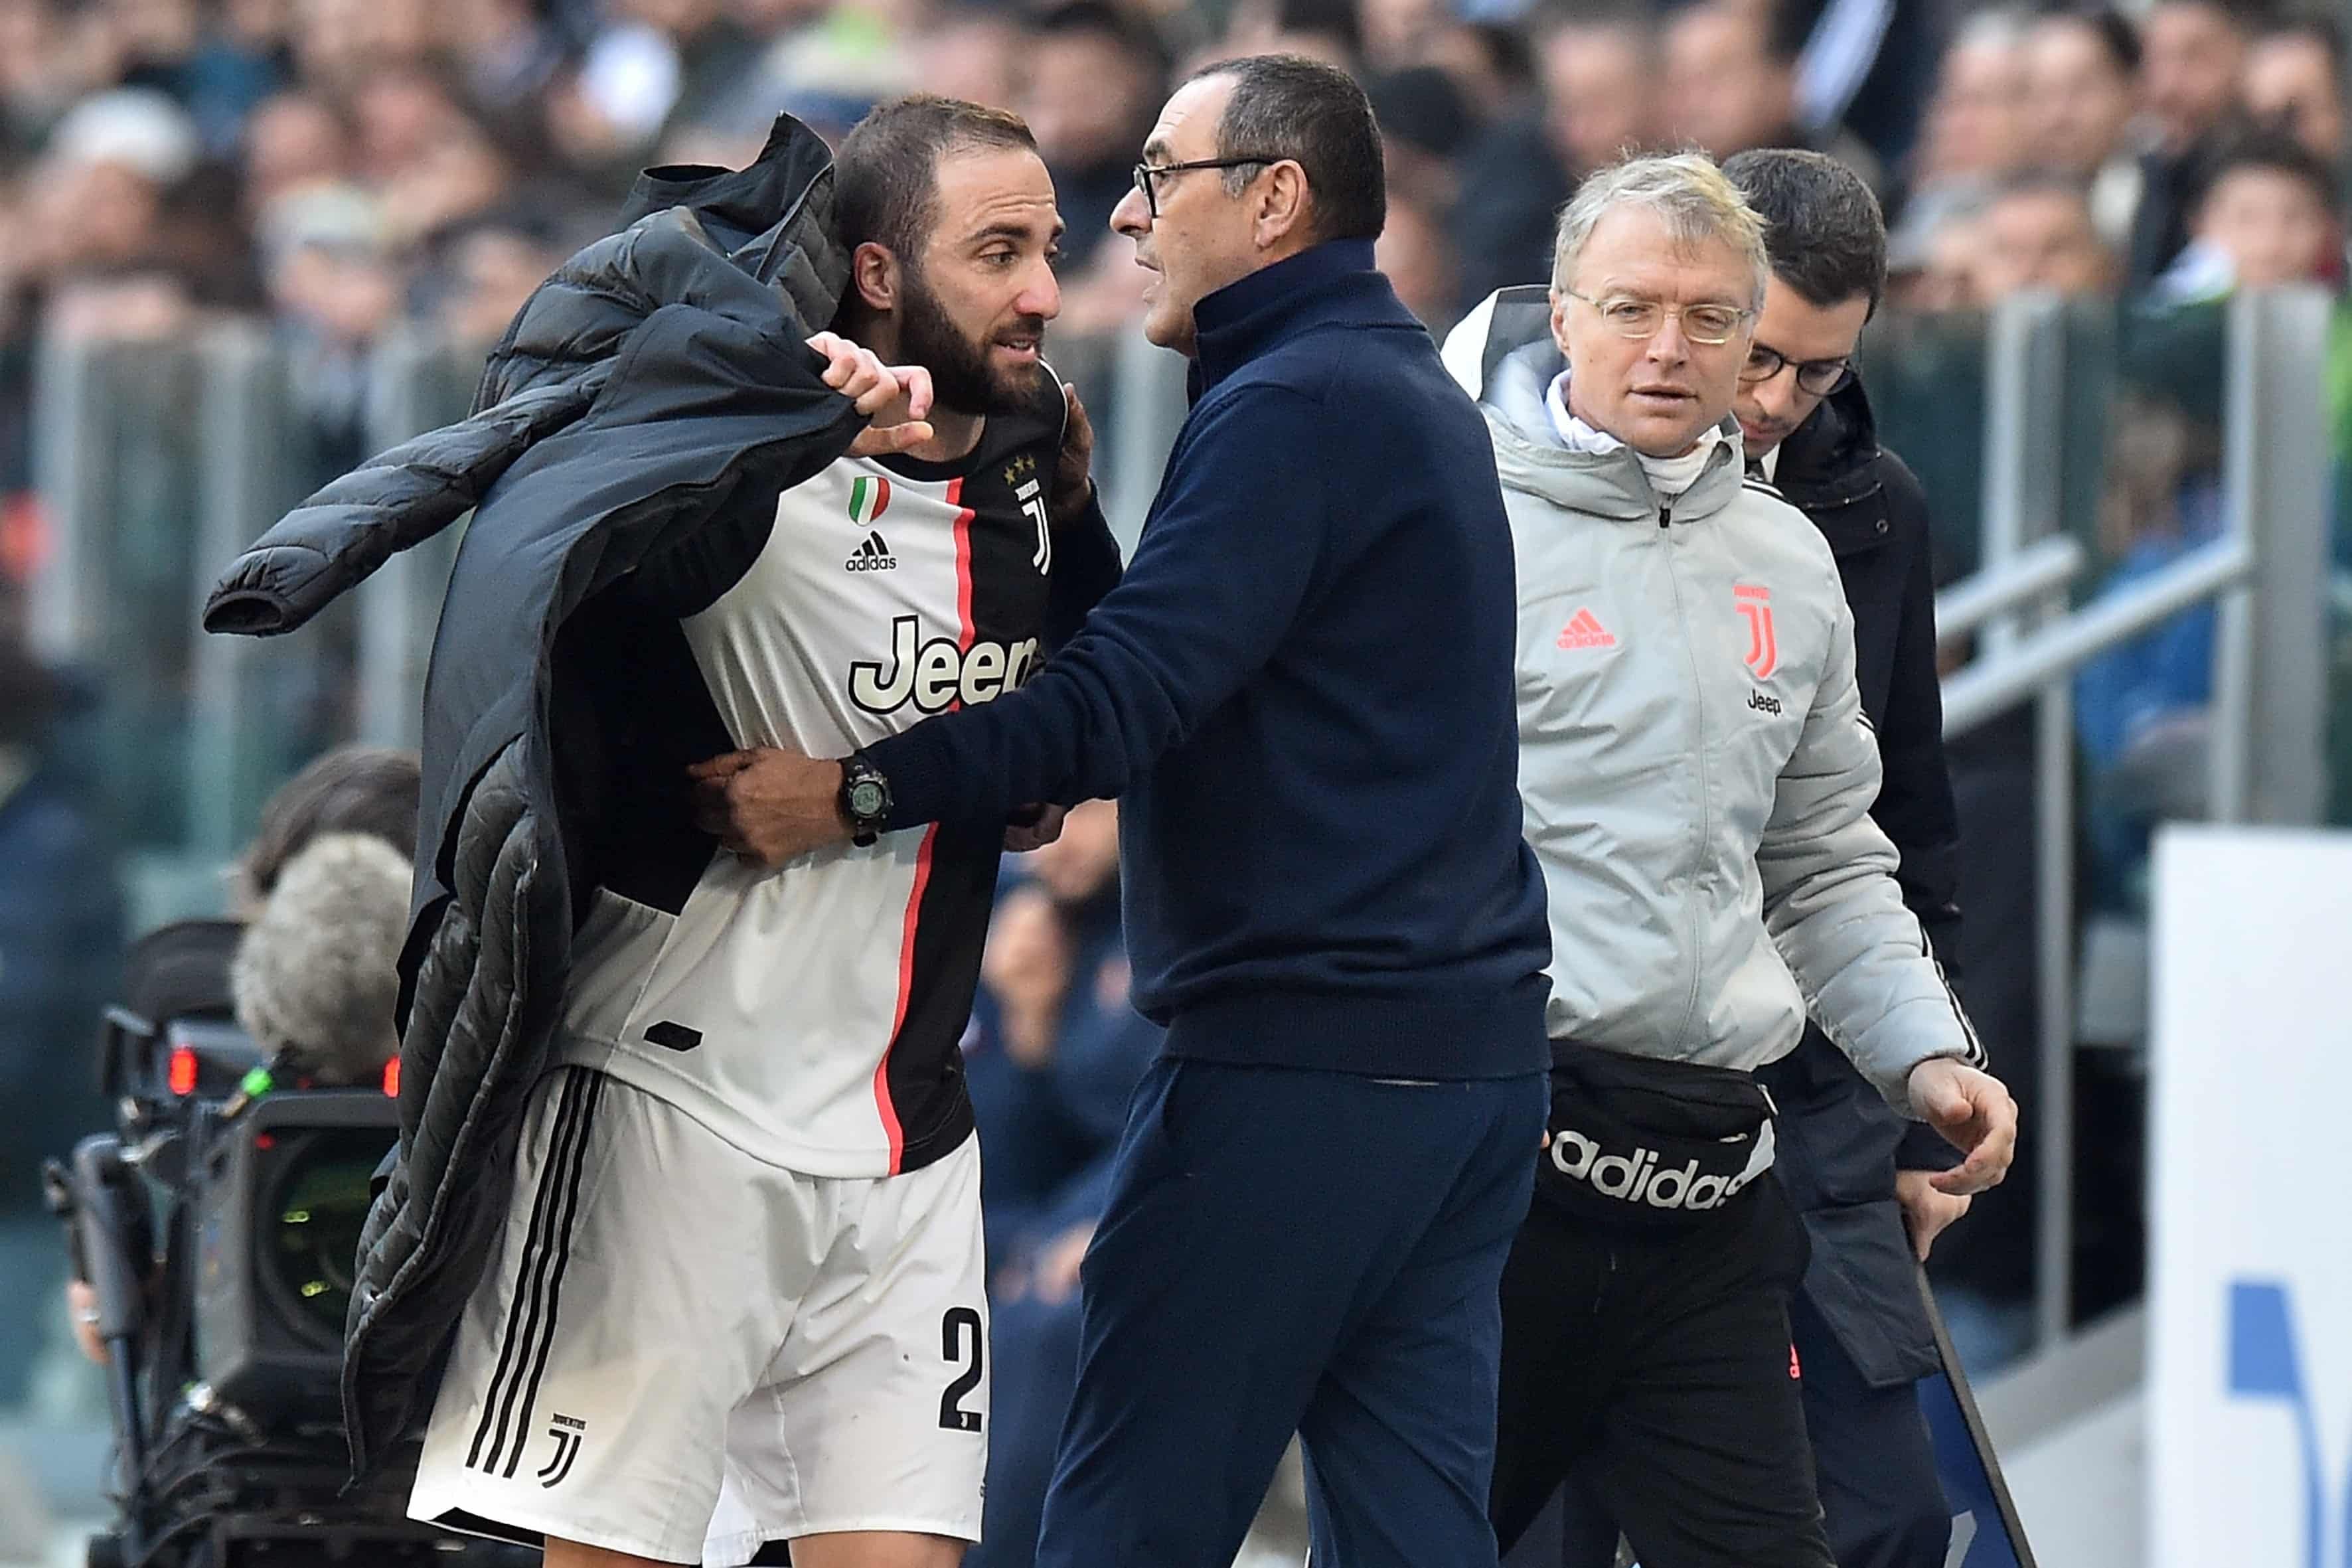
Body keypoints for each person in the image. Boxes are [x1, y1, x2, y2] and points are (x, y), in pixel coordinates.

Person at [688, 52, 1554, 1568]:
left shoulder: (1298, 398)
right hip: (1457, 1073)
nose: (1131, 218)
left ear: (1273, 199)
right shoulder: (1373, 379)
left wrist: (855, 790)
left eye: (1161, 176)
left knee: (1121, 1520)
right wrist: (1079, 522)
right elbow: (1196, 672)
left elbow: (1124, 699)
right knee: (1414, 1532)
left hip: (1300, 1069)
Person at [389, 96, 1123, 1568]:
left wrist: (954, 790)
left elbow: (1078, 715)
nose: (1042, 288)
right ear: (872, 272)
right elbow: (556, 471)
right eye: (995, 252)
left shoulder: (1038, 470)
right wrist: (748, 404)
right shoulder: (729, 456)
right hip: (672, 1104)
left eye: (1047, 246)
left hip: (910, 1120)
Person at [1439, 151, 2017, 1568]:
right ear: (1559, 313)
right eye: (1635, 309)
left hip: (1722, 1169)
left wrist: (1920, 1057)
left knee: (1855, 1529)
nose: (1682, 355)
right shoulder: (1443, 514)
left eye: (1713, 321)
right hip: (1499, 1159)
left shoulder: (1803, 549)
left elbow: (1834, 850)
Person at [1725, 145, 1968, 1568]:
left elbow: (1905, 829)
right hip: (1579, 1071)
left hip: (1818, 1081)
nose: (1769, 402)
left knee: (1881, 1515)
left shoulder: (1876, 503)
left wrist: (1920, 1110)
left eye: (1812, 372)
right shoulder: (1536, 480)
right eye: (1753, 355)